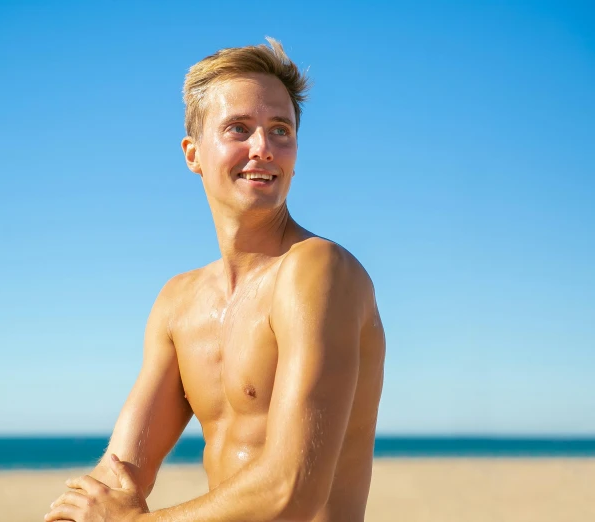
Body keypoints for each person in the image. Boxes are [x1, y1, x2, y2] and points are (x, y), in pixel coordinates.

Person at [45, 37, 386, 522]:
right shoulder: (179, 303)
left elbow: (291, 491)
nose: (263, 148)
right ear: (193, 154)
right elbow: (115, 478)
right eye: (239, 129)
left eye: (280, 130)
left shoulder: (318, 271)